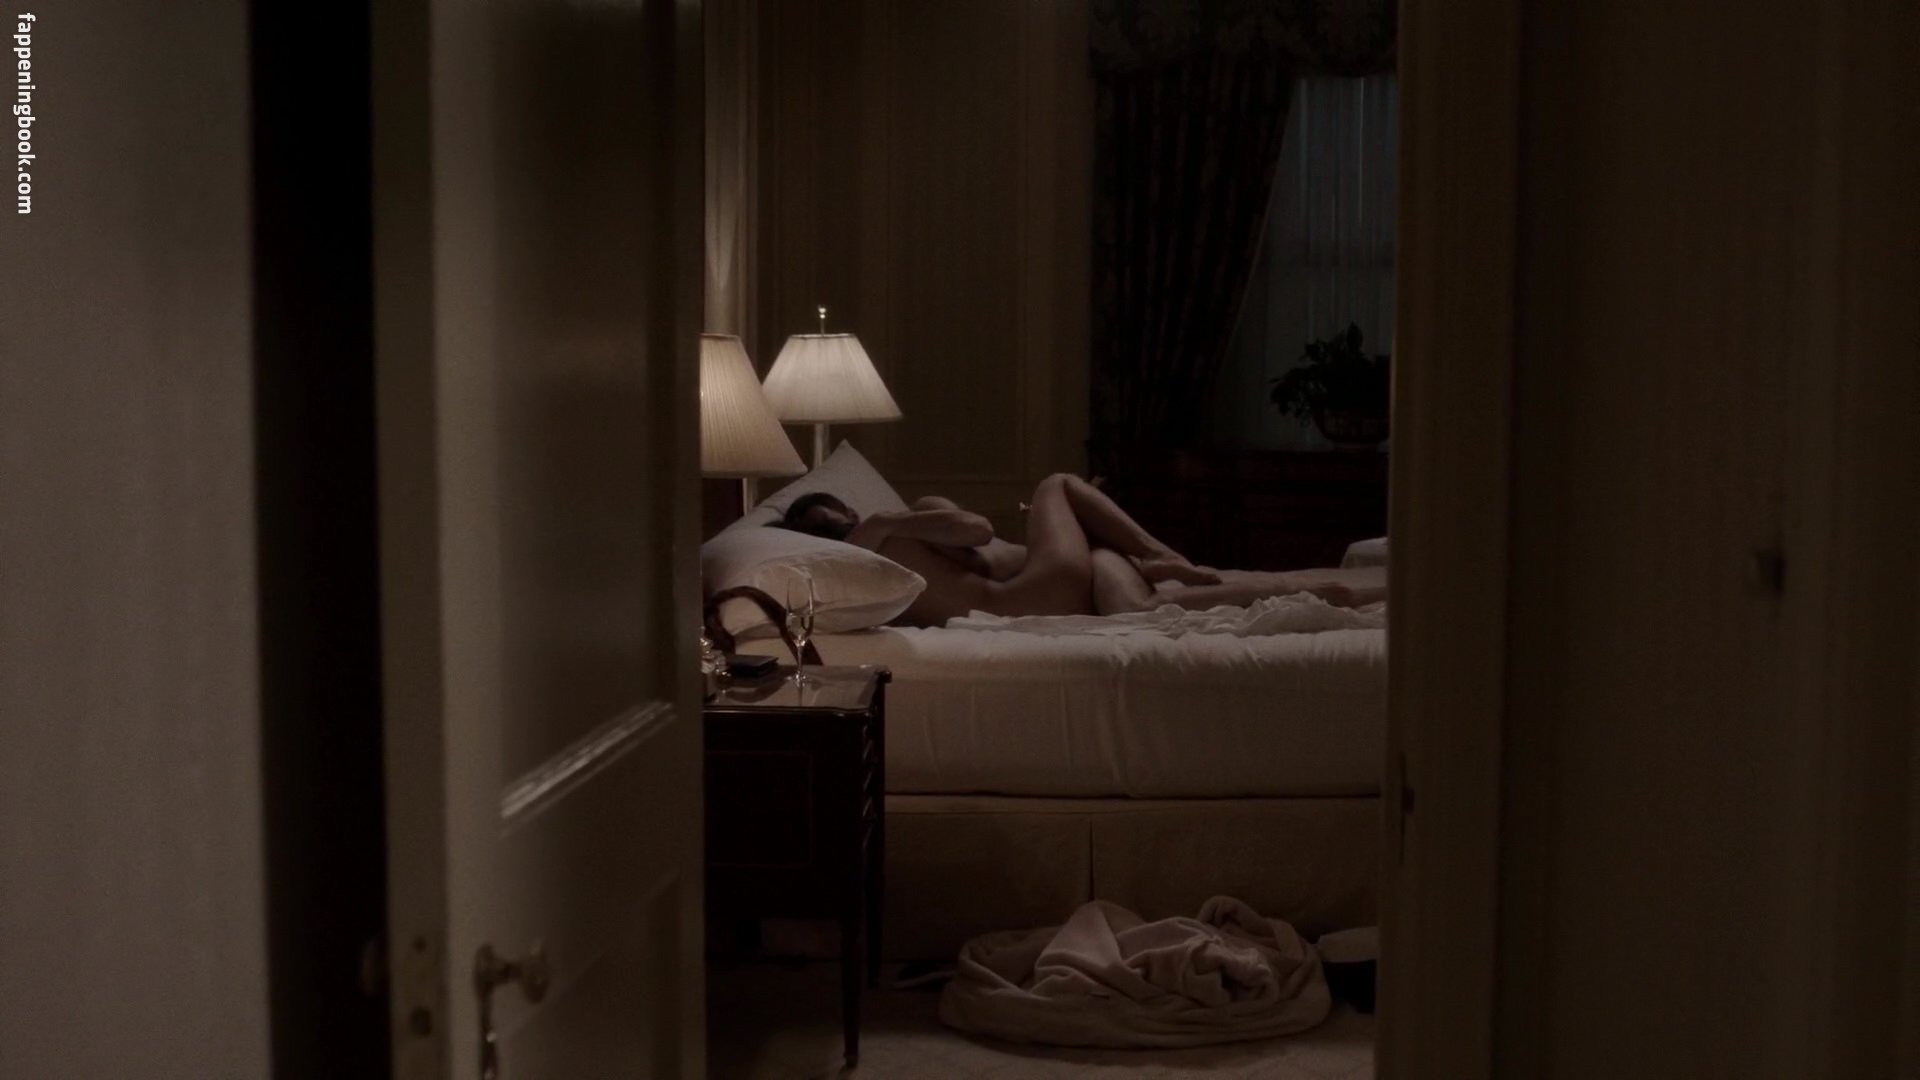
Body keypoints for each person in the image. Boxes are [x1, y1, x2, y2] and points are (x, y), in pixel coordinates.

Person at [771, 474, 1381, 627]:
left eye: (845, 511)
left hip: (1057, 579)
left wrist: (892, 519)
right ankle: (1160, 555)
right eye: (834, 524)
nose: (849, 522)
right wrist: (881, 525)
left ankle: (1323, 590)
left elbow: (976, 537)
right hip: (1033, 593)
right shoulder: (871, 557)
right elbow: (978, 533)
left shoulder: (894, 536)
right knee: (1056, 484)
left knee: (1148, 603)